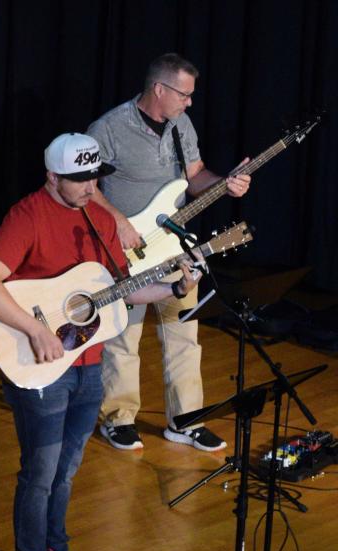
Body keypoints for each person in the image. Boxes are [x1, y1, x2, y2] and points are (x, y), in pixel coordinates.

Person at [0, 133, 199, 551]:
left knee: (67, 471)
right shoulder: (26, 216)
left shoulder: (97, 218)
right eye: (79, 179)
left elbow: (119, 291)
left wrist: (174, 284)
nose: (90, 187)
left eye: (94, 176)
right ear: (52, 177)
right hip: (41, 366)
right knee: (40, 472)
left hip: (88, 364)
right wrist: (35, 329)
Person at [88, 52, 250, 452]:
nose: (189, 102)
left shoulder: (181, 125)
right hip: (126, 250)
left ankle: (186, 420)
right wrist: (119, 222)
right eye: (184, 94)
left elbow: (195, 178)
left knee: (183, 334)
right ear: (159, 89)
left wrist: (223, 183)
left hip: (174, 250)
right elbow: (84, 189)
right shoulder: (108, 128)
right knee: (124, 337)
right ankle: (119, 418)